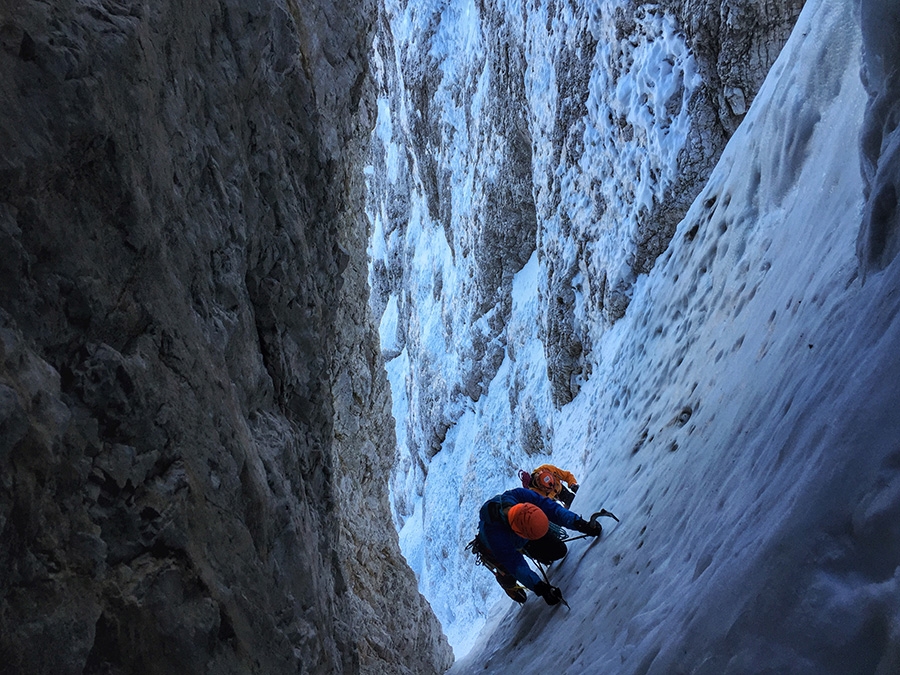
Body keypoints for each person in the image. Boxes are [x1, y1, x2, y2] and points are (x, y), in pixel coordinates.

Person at [474, 487, 601, 605]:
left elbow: (551, 509)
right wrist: (540, 587)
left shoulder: (520, 495)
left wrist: (579, 523)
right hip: (494, 550)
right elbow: (515, 564)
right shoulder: (495, 537)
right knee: (507, 571)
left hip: (521, 535)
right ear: (521, 534)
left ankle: (539, 554)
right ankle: (506, 582)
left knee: (559, 550)